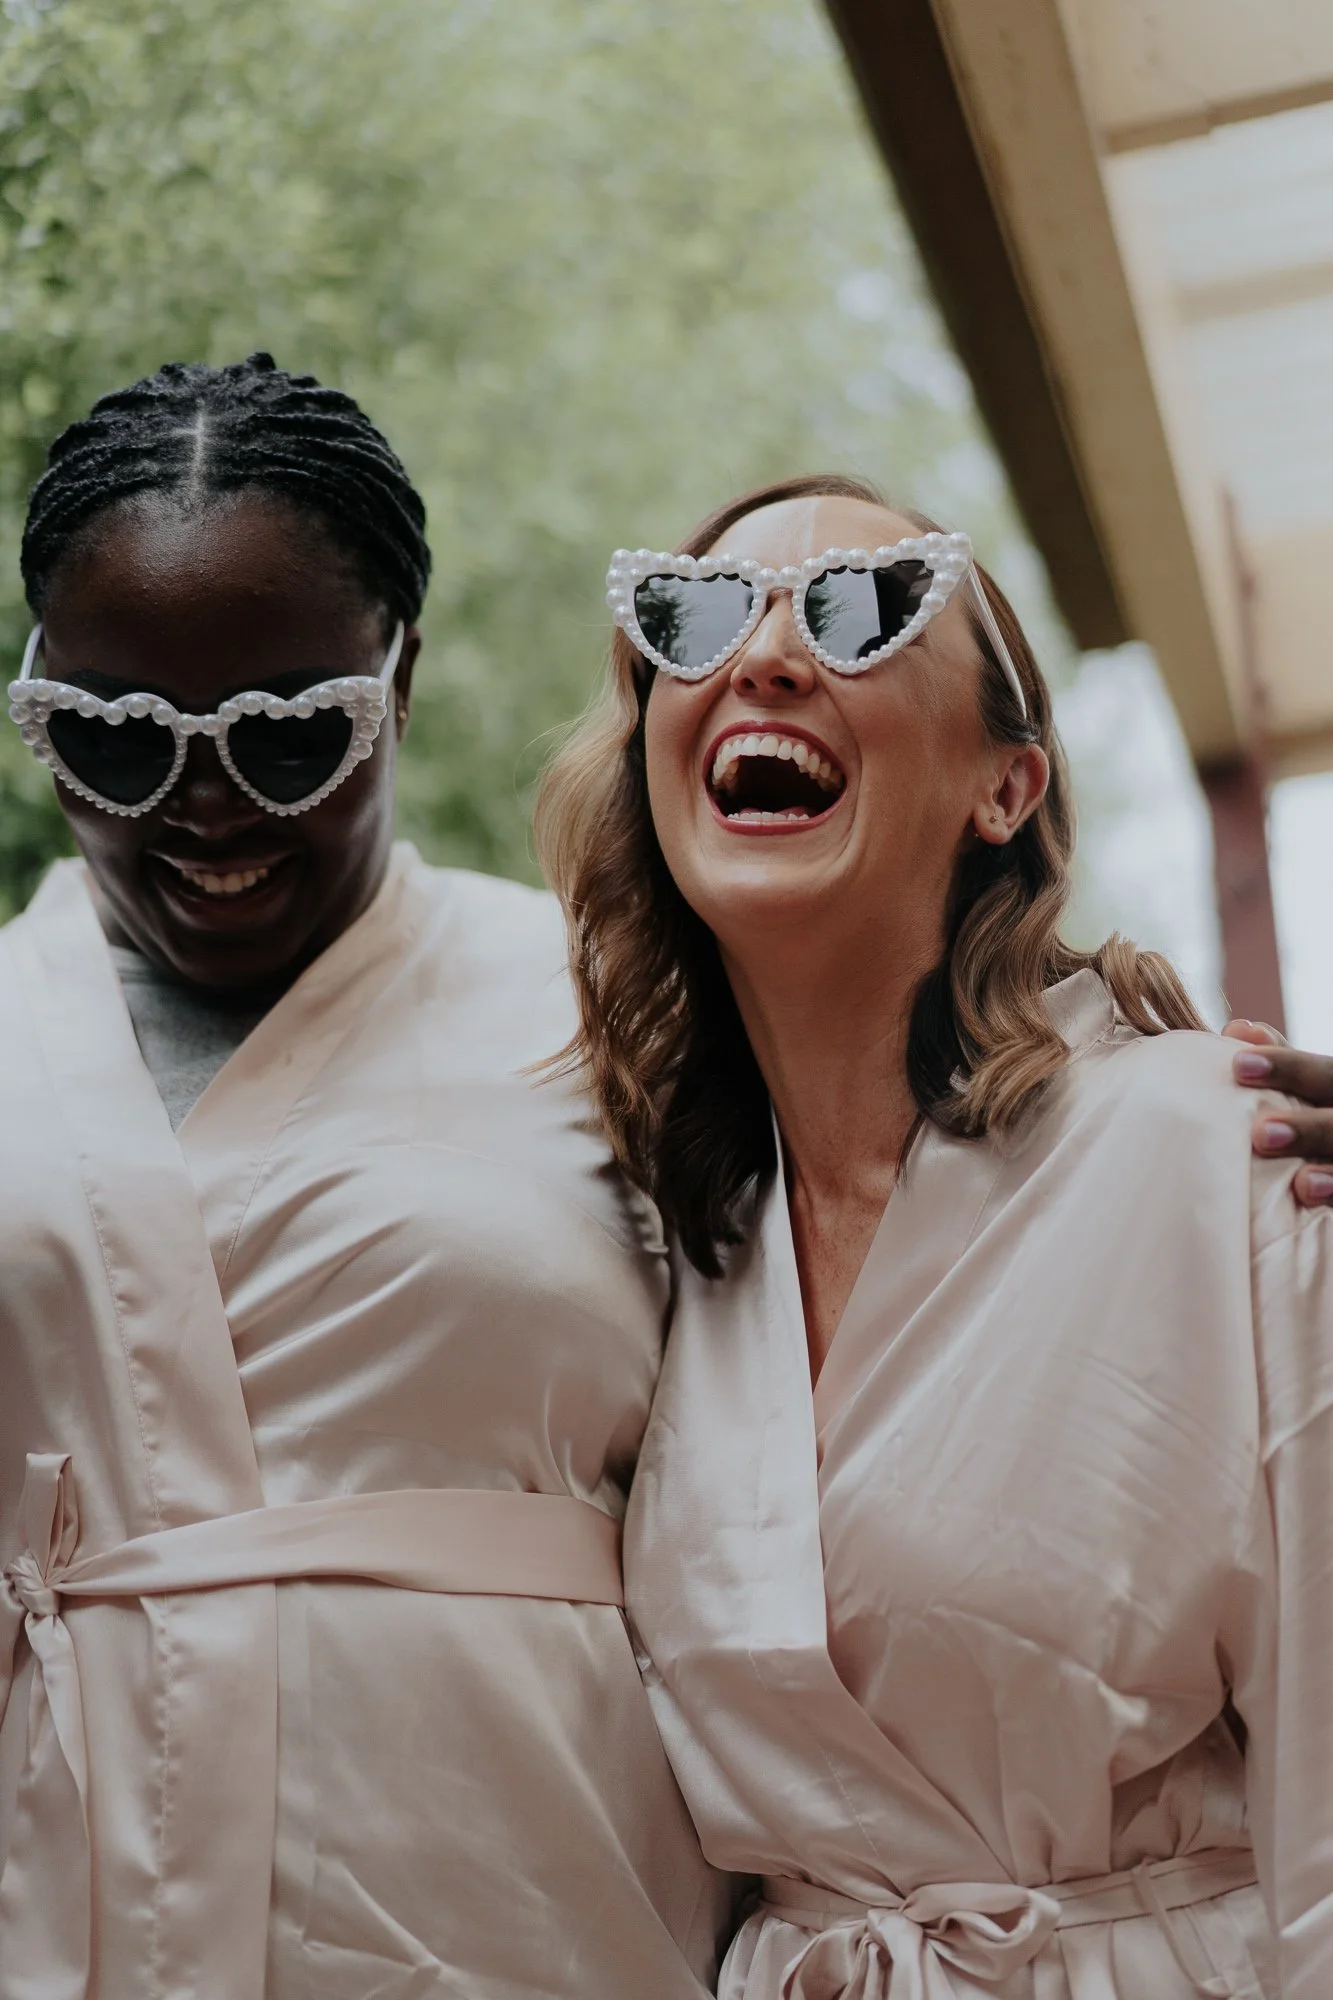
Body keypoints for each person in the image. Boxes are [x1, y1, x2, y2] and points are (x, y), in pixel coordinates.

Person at [536, 472, 1333, 1999]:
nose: (765, 658)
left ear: (1007, 787)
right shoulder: (658, 1241)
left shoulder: (1218, 1154)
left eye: (861, 608)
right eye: (691, 620)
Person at [0, 355, 733, 2000]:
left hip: (529, 1922)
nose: (199, 802)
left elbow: (925, 1286)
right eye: (113, 740)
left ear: (399, 680)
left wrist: (1205, 1129)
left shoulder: (620, 1007)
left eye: (284, 734)